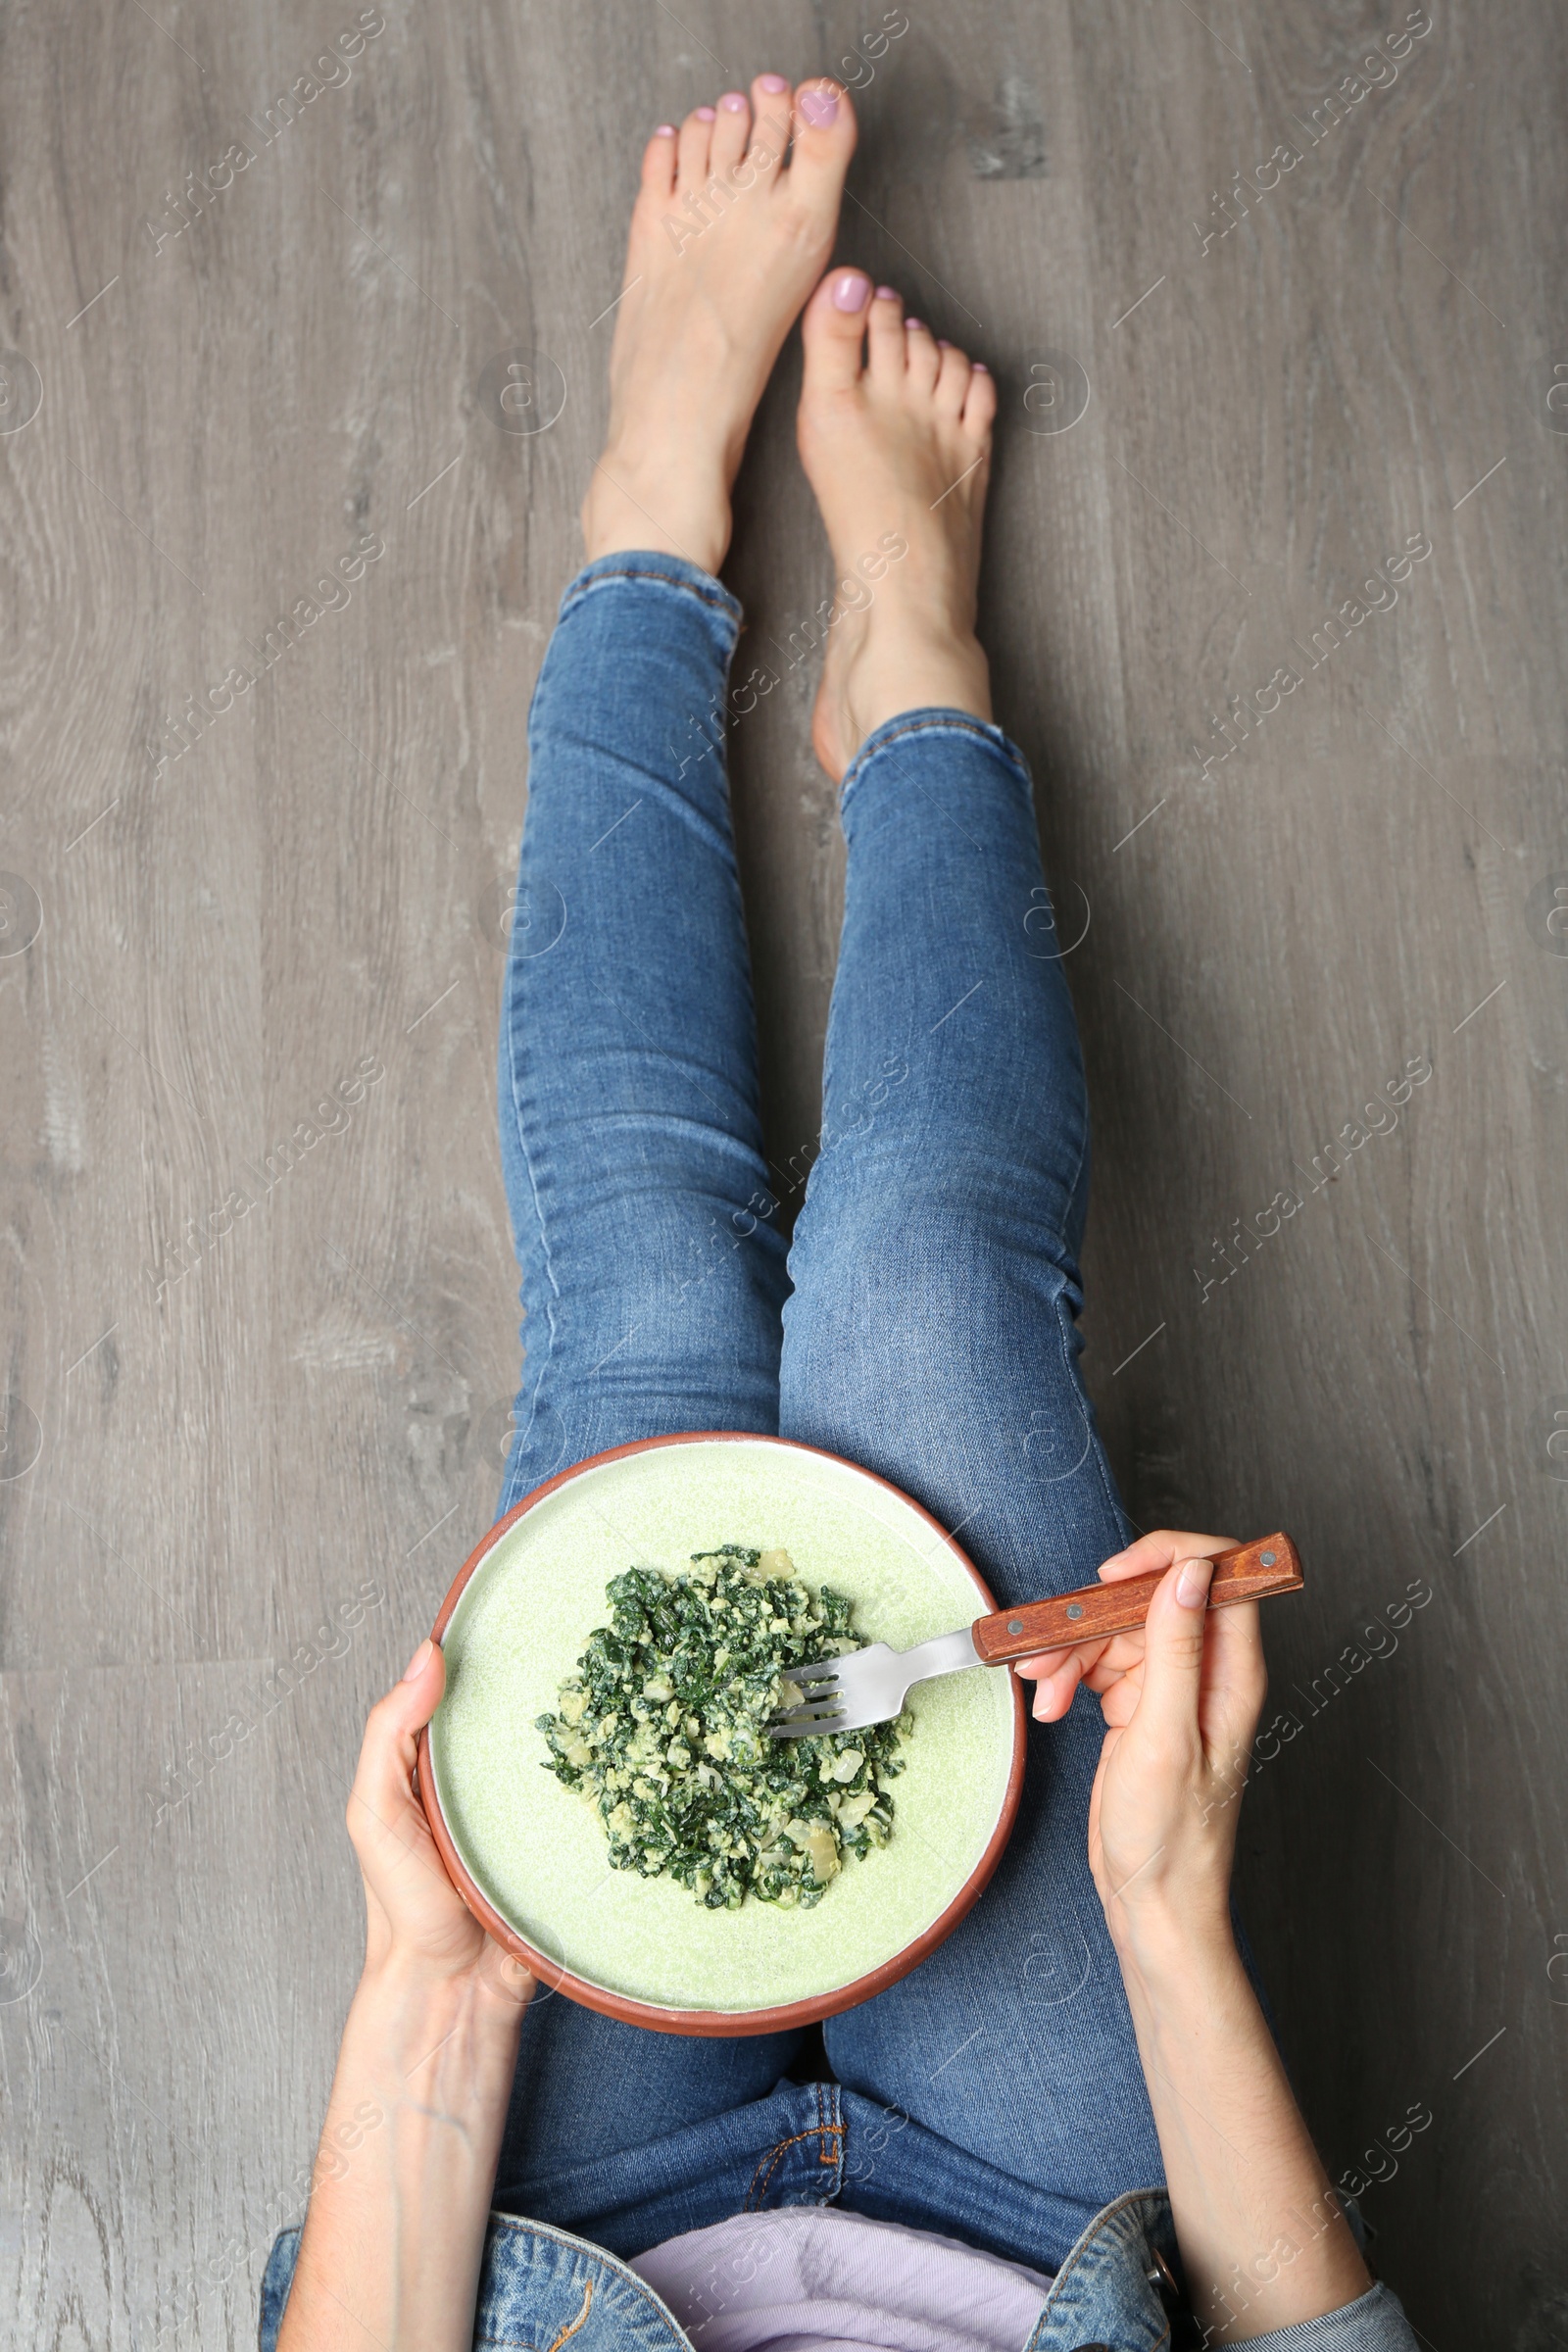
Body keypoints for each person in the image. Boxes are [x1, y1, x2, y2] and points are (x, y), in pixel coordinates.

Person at [264, 74, 1420, 2352]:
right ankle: (912, 671)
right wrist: (1164, 1911)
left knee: (645, 1324)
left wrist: (434, 1995)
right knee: (915, 1285)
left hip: (560, 2213)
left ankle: (645, 537)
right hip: (1035, 2220)